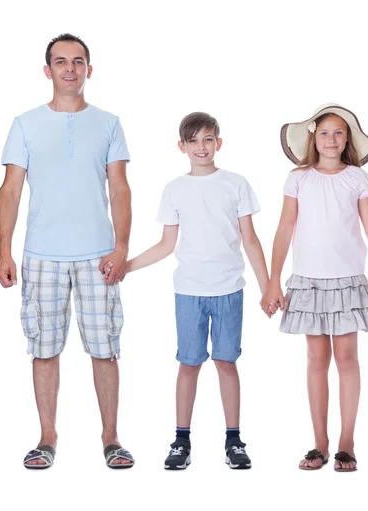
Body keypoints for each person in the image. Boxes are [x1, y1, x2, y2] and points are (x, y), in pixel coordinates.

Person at [0, 33, 134, 469]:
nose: (70, 69)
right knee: (44, 349)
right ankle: (46, 437)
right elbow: (10, 191)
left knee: (104, 348)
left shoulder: (109, 122)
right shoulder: (25, 124)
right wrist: (4, 251)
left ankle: (111, 438)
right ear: (47, 70)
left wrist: (122, 246)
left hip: (98, 255)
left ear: (89, 70)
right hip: (42, 256)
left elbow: (120, 188)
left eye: (78, 61)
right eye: (61, 61)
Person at [262, 103, 368, 472]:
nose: (331, 139)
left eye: (339, 132)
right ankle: (319, 442)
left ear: (348, 139)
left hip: (346, 280)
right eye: (324, 132)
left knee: (346, 359)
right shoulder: (298, 178)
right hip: (307, 281)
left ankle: (347, 441)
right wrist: (273, 281)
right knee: (316, 360)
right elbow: (284, 228)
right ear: (314, 137)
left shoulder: (358, 179)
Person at [122, 112, 269, 470]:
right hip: (189, 290)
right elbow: (166, 244)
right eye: (193, 141)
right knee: (188, 363)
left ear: (219, 143)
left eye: (208, 139)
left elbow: (250, 240)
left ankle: (233, 439)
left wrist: (268, 288)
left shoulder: (235, 183)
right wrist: (128, 266)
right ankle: (181, 440)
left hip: (229, 289)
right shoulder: (175, 189)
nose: (201, 147)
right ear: (182, 146)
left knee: (226, 361)